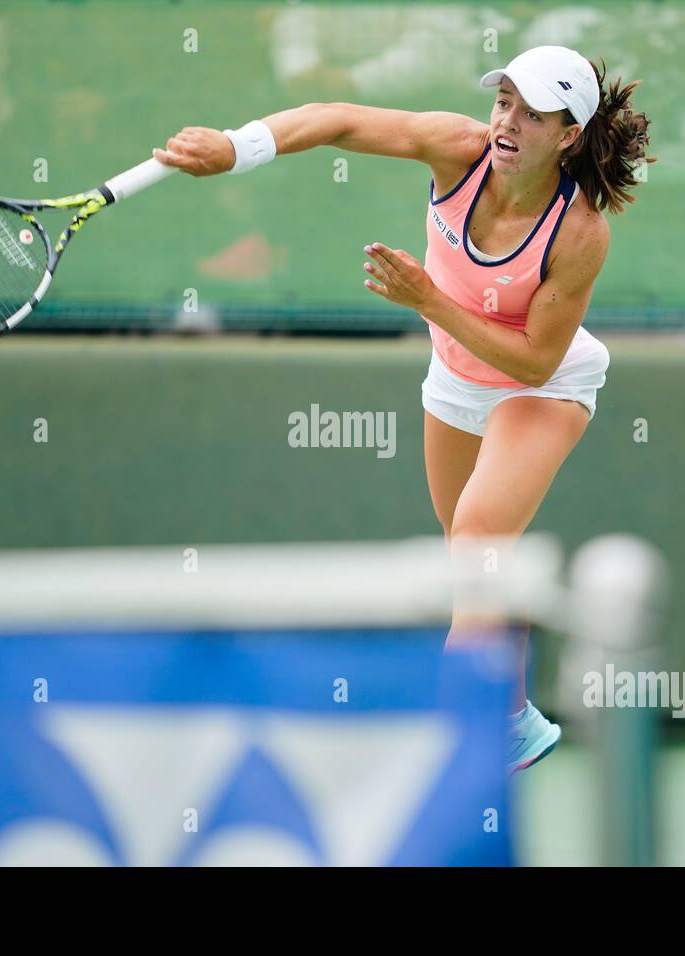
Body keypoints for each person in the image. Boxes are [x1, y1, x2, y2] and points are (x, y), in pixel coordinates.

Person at [154, 45, 653, 774]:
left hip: (540, 387)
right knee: (474, 565)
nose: (507, 122)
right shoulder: (458, 149)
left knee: (480, 535)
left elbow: (535, 360)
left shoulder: (579, 234)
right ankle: (512, 718)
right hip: (454, 379)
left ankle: (441, 737)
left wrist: (427, 300)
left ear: (568, 135)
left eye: (532, 113)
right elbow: (336, 118)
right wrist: (237, 148)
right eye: (504, 101)